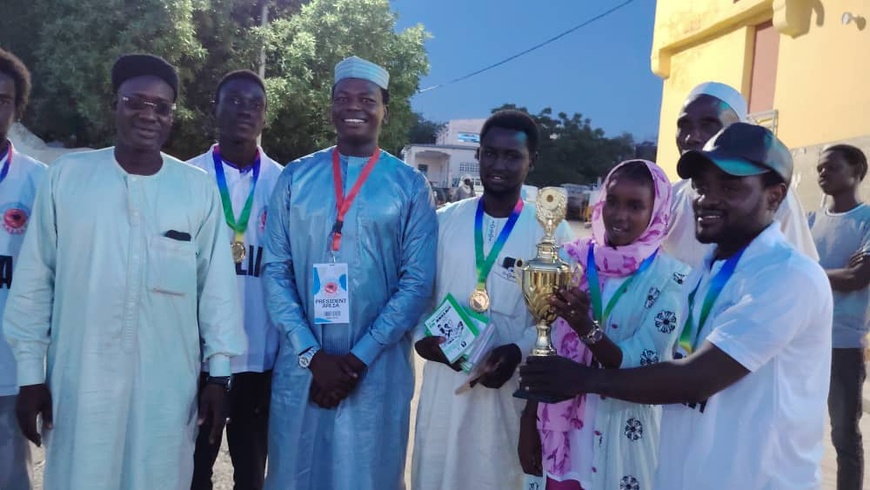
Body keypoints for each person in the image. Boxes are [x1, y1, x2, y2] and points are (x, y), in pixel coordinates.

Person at [520, 123, 833, 489]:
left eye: (730, 187)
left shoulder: (788, 277)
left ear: (775, 196)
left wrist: (581, 378)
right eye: (702, 186)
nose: (707, 199)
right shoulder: (709, 271)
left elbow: (696, 379)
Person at [3, 53, 245, 490]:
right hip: (80, 381)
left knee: (160, 476)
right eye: (136, 101)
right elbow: (36, 282)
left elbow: (217, 293)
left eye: (162, 107)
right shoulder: (68, 179)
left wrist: (220, 375)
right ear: (115, 104)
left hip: (168, 386)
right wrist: (30, 377)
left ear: (173, 117)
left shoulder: (196, 190)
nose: (148, 114)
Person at [262, 55, 437, 490]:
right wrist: (312, 355)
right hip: (302, 368)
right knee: (296, 472)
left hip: (376, 373)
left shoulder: (409, 186)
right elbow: (276, 271)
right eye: (343, 98)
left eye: (367, 99)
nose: (353, 106)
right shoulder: (296, 178)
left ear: (385, 110)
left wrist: (356, 360)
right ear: (331, 108)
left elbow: (416, 284)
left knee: (366, 475)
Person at [411, 110, 572, 490]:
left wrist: (517, 350)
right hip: (445, 392)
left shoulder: (551, 230)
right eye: (490, 154)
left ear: (531, 162)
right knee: (438, 474)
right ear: (479, 156)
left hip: (509, 391)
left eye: (512, 156)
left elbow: (559, 318)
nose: (498, 165)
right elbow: (420, 294)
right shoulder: (444, 220)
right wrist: (423, 338)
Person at [519, 159, 690, 490]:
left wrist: (585, 327)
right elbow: (546, 344)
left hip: (620, 439)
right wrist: (529, 418)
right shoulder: (571, 260)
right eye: (612, 201)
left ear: (656, 211)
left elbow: (639, 363)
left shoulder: (672, 279)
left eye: (635, 205)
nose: (619, 215)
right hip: (560, 437)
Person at [187, 70, 282, 490]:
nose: (245, 110)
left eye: (255, 104)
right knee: (192, 468)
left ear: (265, 118)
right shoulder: (186, 178)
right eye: (235, 101)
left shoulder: (284, 183)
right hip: (196, 356)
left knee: (251, 472)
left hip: (261, 356)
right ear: (216, 109)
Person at [662, 81, 817, 266]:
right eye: (684, 125)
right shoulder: (668, 198)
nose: (691, 136)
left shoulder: (768, 195)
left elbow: (796, 270)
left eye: (708, 125)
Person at [809, 144, 870, 490]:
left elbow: (858, 278)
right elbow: (789, 276)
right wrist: (833, 274)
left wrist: (811, 272)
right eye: (819, 167)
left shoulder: (867, 220)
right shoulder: (809, 222)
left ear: (856, 171)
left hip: (843, 345)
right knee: (794, 427)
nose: (822, 173)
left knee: (844, 435)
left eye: (831, 167)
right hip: (803, 341)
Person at [0, 48, 47, 490]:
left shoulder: (39, 182)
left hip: (10, 367)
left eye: (3, 99)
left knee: (12, 476)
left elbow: (51, 275)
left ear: (18, 108)